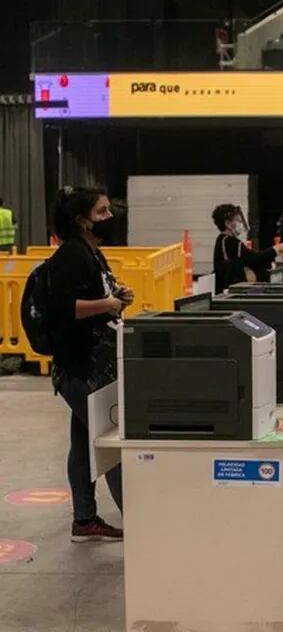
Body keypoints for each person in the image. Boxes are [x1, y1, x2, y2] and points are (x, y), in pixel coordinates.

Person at [47, 187, 134, 542]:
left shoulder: (93, 253)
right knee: (111, 442)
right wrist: (108, 304)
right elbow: (63, 308)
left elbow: (99, 299)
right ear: (83, 221)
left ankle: (84, 520)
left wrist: (117, 300)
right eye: (101, 212)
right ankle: (139, 515)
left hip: (96, 366)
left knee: (84, 443)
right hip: (80, 369)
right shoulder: (72, 254)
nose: (110, 217)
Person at [211, 203, 283, 292]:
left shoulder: (223, 240)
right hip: (230, 289)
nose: (240, 223)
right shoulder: (230, 241)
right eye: (237, 221)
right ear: (227, 223)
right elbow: (254, 259)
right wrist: (276, 249)